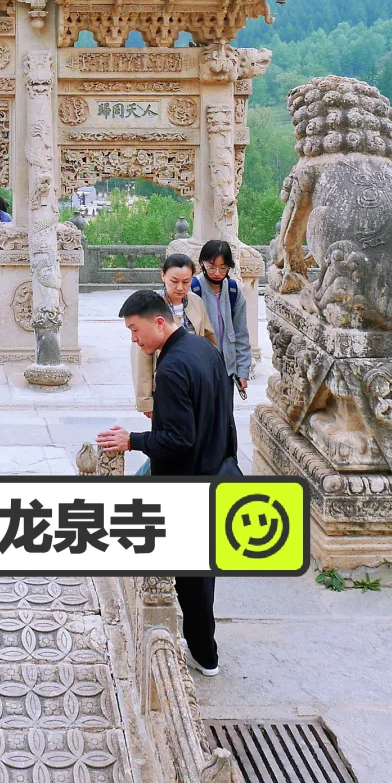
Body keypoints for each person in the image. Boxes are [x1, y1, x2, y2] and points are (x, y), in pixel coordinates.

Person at [97, 288, 238, 677]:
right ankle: (204, 647)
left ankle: (203, 654)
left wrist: (132, 441)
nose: (134, 339)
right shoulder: (204, 349)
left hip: (188, 481)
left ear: (159, 322)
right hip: (214, 466)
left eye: (135, 329)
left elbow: (177, 439)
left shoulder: (172, 368)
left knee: (191, 577)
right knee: (201, 571)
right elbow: (225, 416)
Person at [131, 253, 216, 416]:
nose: (180, 287)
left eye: (186, 282)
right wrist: (145, 401)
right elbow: (142, 356)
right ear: (163, 276)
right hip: (166, 384)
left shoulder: (196, 302)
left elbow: (209, 341)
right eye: (174, 281)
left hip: (196, 383)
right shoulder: (149, 307)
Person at [191, 240, 252, 396]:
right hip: (199, 368)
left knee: (225, 410)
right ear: (202, 263)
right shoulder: (193, 289)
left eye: (223, 267)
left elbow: (241, 333)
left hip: (227, 370)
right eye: (211, 267)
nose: (217, 273)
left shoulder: (233, 291)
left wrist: (242, 371)